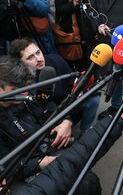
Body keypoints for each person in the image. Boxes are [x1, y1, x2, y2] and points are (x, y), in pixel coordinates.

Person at [0, 56, 72, 191]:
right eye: (17, 88)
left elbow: (54, 108)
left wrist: (66, 121)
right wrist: (40, 163)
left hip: (53, 149)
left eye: (26, 85)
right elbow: (7, 166)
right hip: (29, 171)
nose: (26, 91)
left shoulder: (30, 90)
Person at [9, 37, 99, 134]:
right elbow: (43, 107)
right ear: (20, 62)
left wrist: (81, 87)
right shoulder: (22, 81)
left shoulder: (55, 60)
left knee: (93, 99)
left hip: (66, 104)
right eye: (30, 57)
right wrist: (64, 120)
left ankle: (87, 131)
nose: (38, 59)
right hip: (46, 116)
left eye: (38, 52)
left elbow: (72, 83)